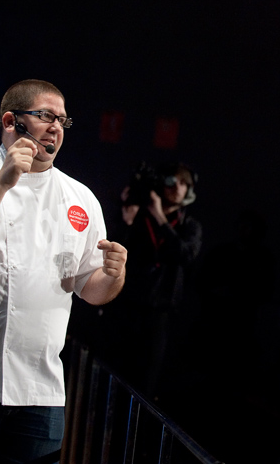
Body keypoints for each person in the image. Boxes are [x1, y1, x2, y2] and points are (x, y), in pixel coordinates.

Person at [0, 79, 128, 464]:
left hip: (37, 389)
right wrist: (2, 182)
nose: (56, 128)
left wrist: (113, 277)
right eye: (46, 116)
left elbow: (88, 287)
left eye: (63, 120)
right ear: (11, 120)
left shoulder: (80, 198)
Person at [111, 161, 202, 398]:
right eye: (172, 181)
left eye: (184, 183)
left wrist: (159, 215)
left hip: (160, 311)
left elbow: (185, 254)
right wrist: (127, 218)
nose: (177, 187)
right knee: (117, 372)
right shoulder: (139, 216)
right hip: (127, 305)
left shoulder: (188, 226)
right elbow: (113, 246)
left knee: (146, 383)